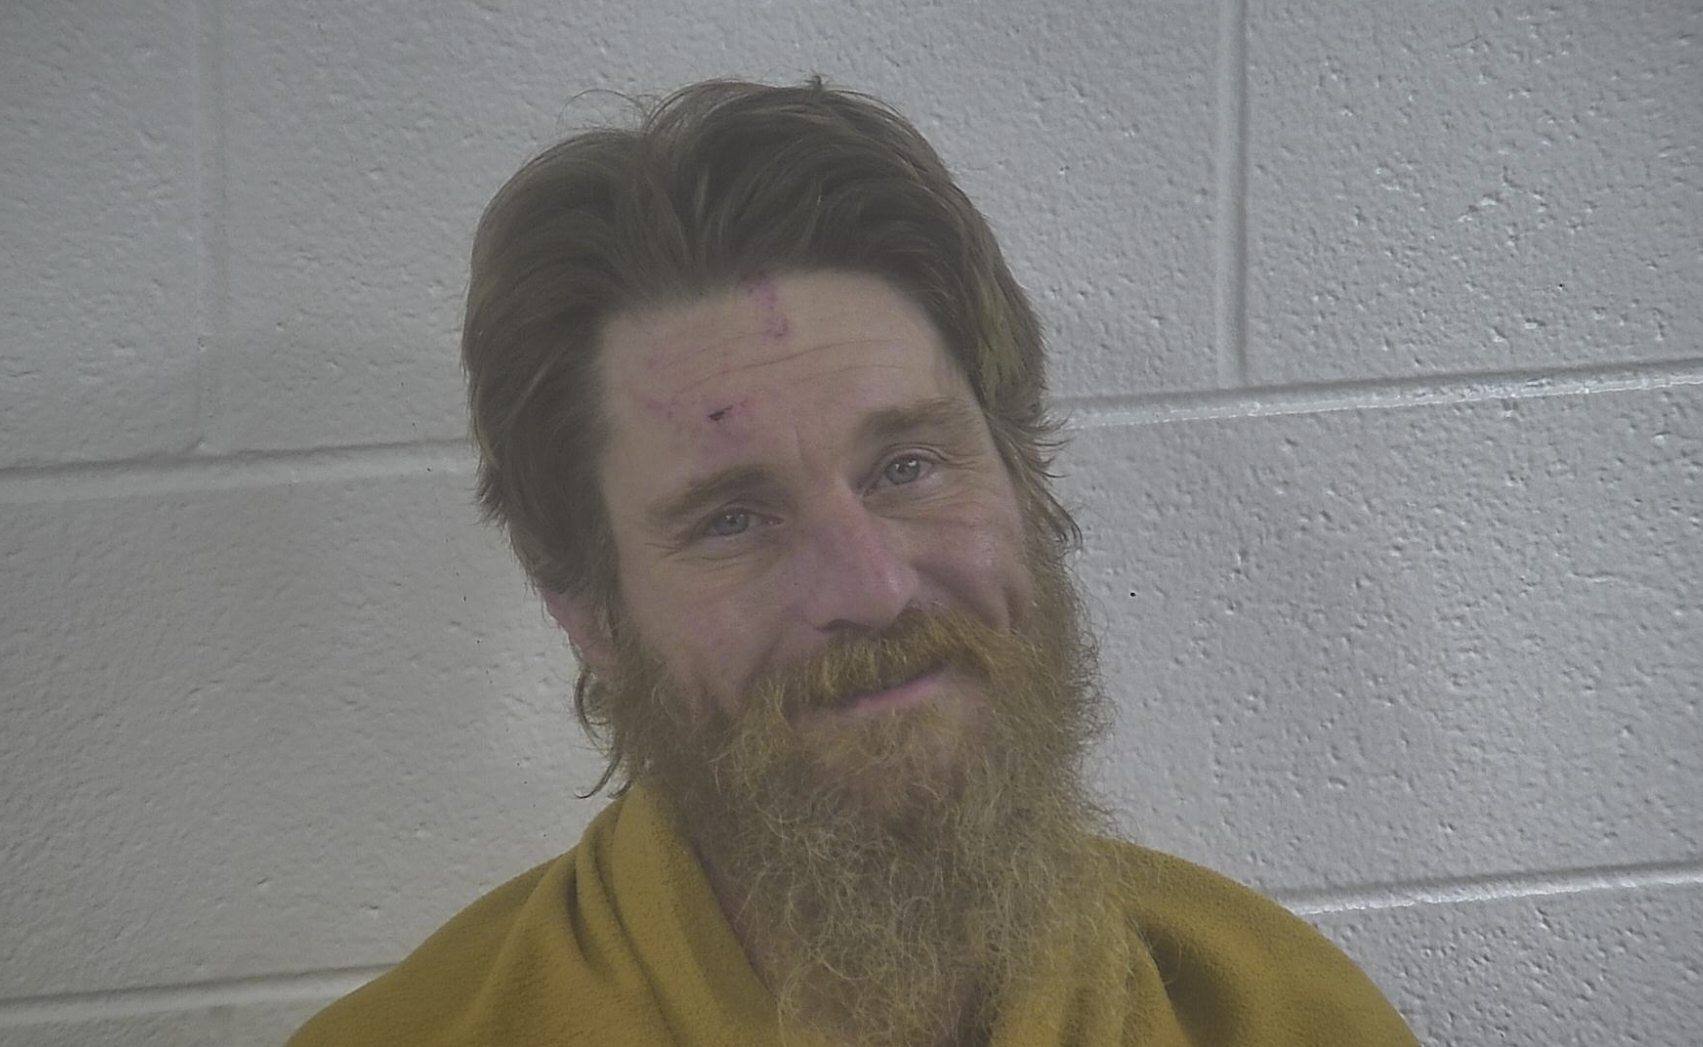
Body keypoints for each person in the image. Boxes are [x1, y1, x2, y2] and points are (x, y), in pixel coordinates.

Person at [286, 76, 1419, 1047]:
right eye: (732, 520)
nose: (872, 590)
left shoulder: (1279, 1012)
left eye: (908, 467)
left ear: (1026, 478)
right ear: (590, 617)